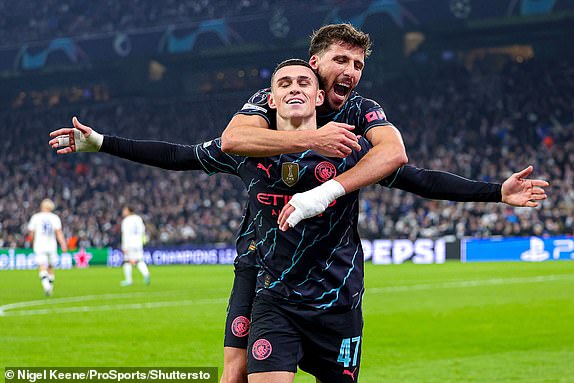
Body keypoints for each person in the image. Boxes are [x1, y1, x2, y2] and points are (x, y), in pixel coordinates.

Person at [49, 59, 548, 382]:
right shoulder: (246, 153)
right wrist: (103, 143)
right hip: (273, 294)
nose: (293, 89)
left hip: (336, 300)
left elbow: (419, 179)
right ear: (270, 99)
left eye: (303, 84)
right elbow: (177, 154)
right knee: (236, 371)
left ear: (318, 98)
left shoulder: (351, 151)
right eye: (282, 83)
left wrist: (494, 193)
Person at [27, 198, 68, 296]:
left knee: (41, 265)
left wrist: (32, 242)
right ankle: (50, 285)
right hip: (51, 245)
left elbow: (31, 233)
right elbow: (58, 233)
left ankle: (46, 286)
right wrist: (63, 244)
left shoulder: (35, 217)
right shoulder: (55, 218)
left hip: (39, 244)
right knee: (50, 266)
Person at [120, 206, 150, 286]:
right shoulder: (138, 218)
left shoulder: (126, 221)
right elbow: (142, 230)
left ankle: (128, 280)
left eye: (125, 210)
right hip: (138, 243)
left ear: (129, 211)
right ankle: (146, 274)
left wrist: (124, 246)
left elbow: (125, 235)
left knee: (127, 261)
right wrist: (142, 240)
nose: (123, 212)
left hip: (129, 243)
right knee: (139, 260)